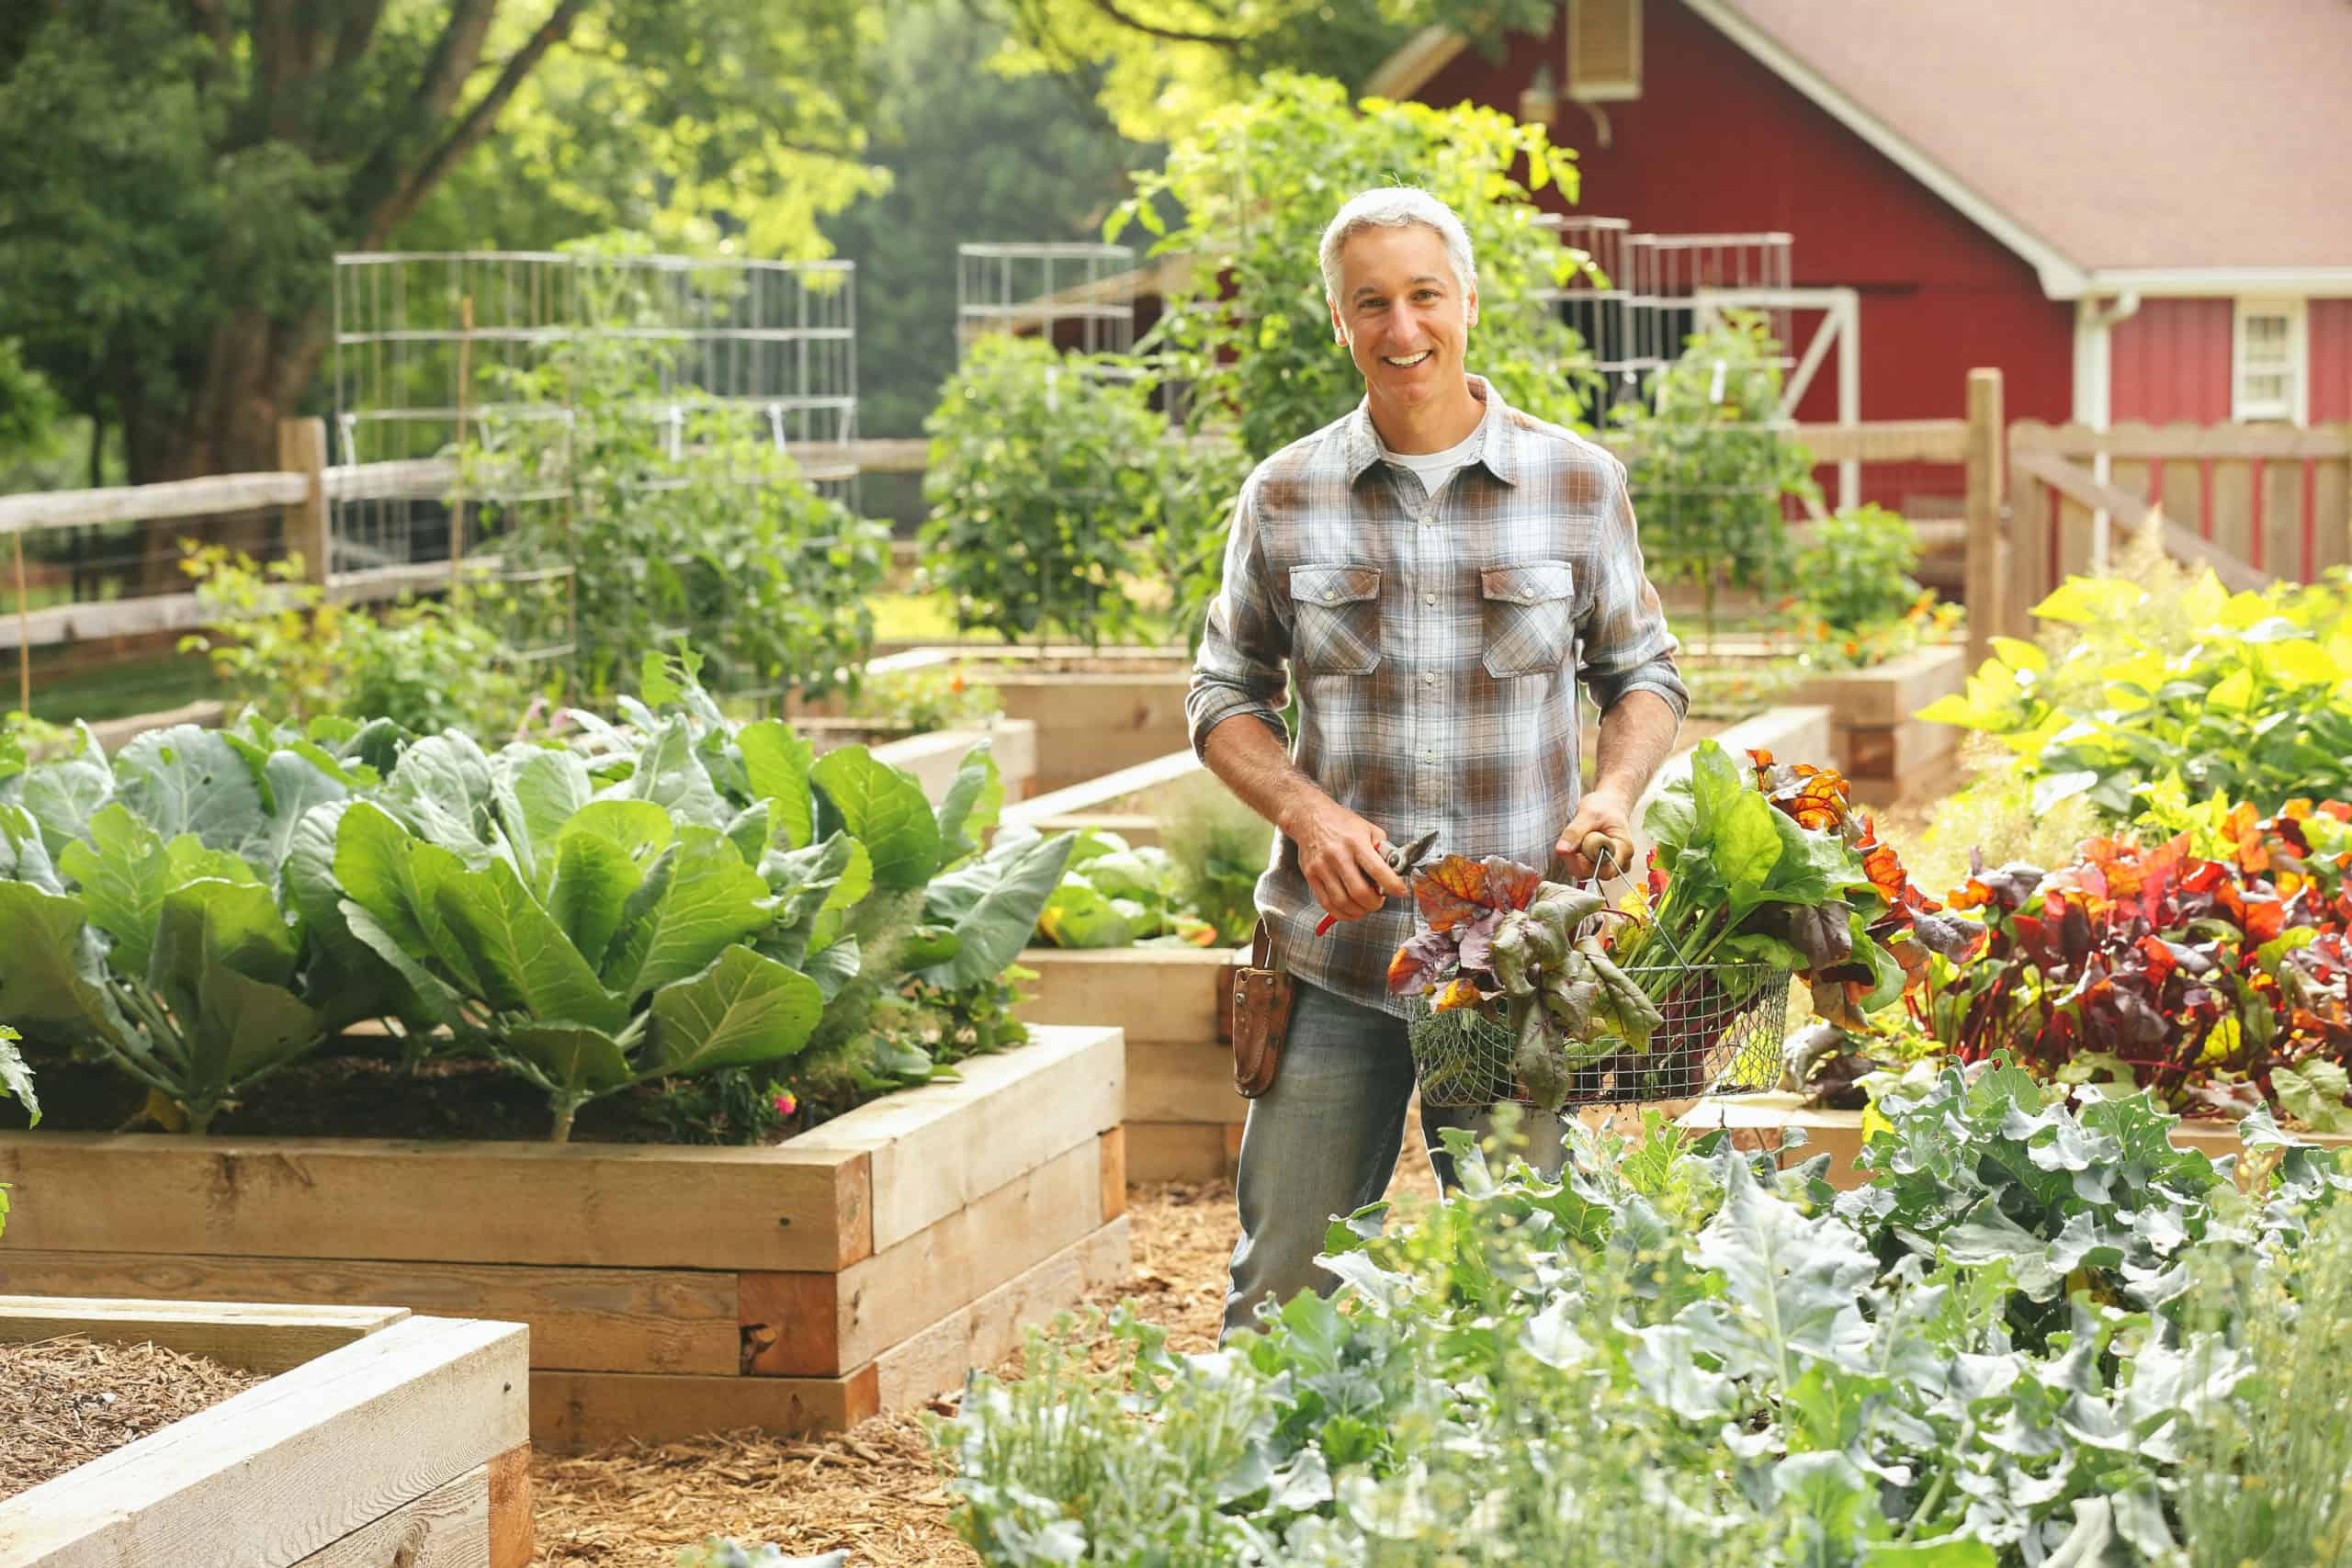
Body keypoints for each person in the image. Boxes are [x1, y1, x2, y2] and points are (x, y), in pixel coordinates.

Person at [1184, 186, 1690, 1338]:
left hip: (1513, 966)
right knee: (1281, 1299)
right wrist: (1309, 816)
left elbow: (1643, 673)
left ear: (1466, 302)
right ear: (1338, 321)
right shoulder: (1284, 493)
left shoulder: (1575, 482)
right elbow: (1222, 694)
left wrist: (1612, 792)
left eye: (1423, 296)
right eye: (1371, 303)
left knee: (1535, 1301)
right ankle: (1275, 1512)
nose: (1401, 327)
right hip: (1336, 959)